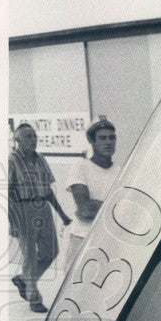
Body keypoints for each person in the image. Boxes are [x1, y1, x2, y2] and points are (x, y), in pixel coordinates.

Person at [8, 123, 71, 313]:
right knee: (29, 256)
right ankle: (34, 299)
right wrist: (13, 222)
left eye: (34, 136)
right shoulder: (12, 160)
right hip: (22, 209)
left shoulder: (41, 159)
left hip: (42, 207)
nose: (33, 139)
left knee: (51, 252)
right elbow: (7, 194)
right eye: (28, 136)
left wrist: (62, 215)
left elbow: (48, 190)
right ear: (17, 140)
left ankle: (24, 280)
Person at [65, 116, 121, 271]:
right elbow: (85, 209)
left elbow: (126, 210)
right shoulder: (80, 167)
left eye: (111, 138)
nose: (108, 142)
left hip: (108, 241)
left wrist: (96, 204)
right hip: (82, 239)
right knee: (74, 291)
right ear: (92, 141)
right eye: (102, 138)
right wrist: (115, 207)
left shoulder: (121, 172)